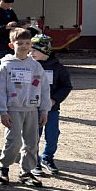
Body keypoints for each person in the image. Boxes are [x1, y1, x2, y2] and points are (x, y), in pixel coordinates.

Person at [0, 28, 51, 187]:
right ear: (12, 45)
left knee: (32, 142)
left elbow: (44, 88)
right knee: (14, 141)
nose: (24, 46)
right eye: (20, 43)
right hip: (13, 110)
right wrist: (2, 111)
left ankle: (26, 172)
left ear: (31, 45)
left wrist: (44, 109)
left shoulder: (35, 66)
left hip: (32, 110)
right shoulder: (6, 66)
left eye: (27, 43)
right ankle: (3, 167)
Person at [28, 34, 72, 175]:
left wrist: (54, 99)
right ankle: (34, 160)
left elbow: (66, 86)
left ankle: (48, 158)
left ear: (44, 50)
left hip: (51, 109)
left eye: (34, 50)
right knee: (34, 135)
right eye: (30, 50)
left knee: (52, 135)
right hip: (33, 109)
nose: (31, 53)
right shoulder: (29, 65)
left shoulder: (58, 68)